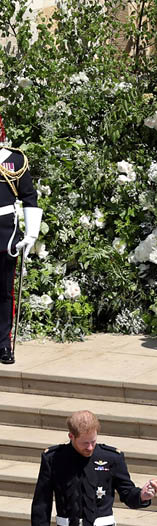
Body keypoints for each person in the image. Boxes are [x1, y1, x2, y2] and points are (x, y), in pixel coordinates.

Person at [0, 114, 42, 364]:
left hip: (5, 235)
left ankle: (3, 344)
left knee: (3, 293)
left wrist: (32, 234)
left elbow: (29, 198)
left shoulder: (14, 160)